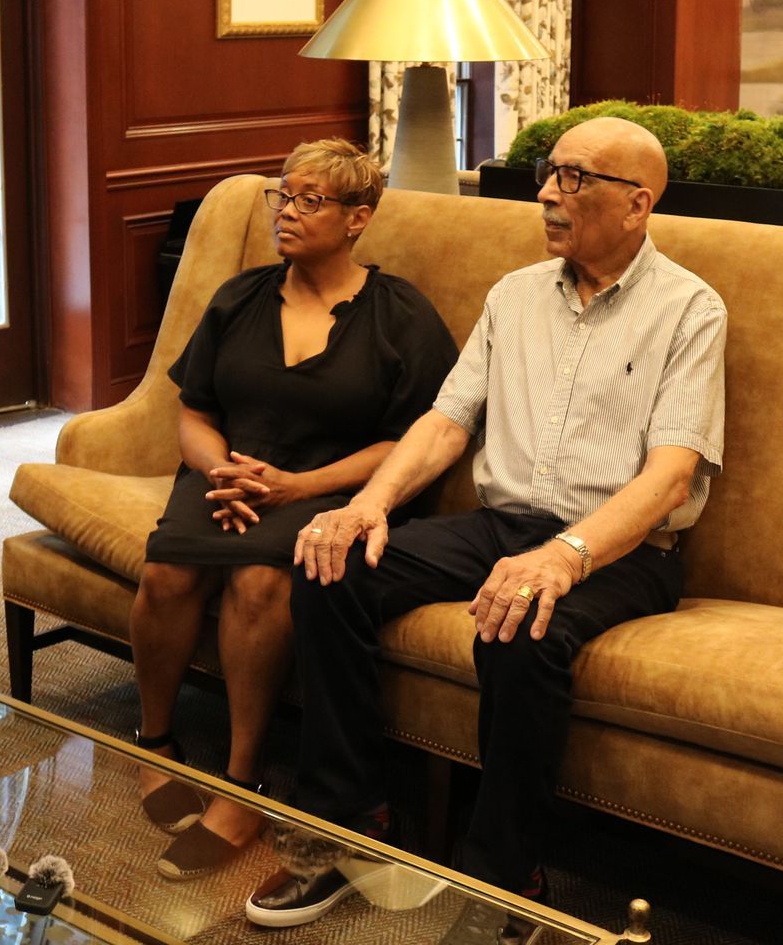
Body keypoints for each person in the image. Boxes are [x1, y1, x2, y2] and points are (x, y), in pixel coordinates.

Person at [246, 118, 727, 941]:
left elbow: (670, 475)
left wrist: (564, 557)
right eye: (550, 174)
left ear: (638, 203)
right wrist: (370, 504)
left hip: (619, 549)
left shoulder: (689, 310)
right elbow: (445, 421)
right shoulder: (513, 294)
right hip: (501, 523)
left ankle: (507, 879)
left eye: (573, 179)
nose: (546, 193)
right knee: (334, 566)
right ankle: (350, 820)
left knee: (519, 627)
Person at [132, 139, 458, 881]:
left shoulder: (399, 313)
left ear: (357, 218)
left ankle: (243, 784)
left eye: (311, 200)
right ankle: (152, 743)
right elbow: (194, 411)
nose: (287, 213)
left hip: (334, 492)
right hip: (231, 478)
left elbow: (415, 441)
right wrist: (220, 469)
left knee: (260, 583)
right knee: (168, 576)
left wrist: (299, 488)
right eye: (284, 196)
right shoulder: (239, 297)